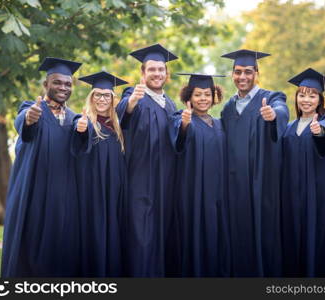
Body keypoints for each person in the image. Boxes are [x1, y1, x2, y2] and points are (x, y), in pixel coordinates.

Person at [1, 57, 82, 277]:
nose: (63, 87)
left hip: (62, 196)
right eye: (57, 82)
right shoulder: (32, 108)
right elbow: (23, 123)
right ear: (46, 85)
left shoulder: (75, 118)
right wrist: (29, 118)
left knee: (60, 246)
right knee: (30, 244)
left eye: (67, 84)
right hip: (34, 192)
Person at [220, 49, 289, 276]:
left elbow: (282, 109)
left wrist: (273, 115)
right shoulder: (228, 108)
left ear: (257, 73)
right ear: (232, 74)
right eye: (238, 72)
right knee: (239, 236)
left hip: (262, 185)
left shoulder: (271, 98)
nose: (243, 77)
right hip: (234, 187)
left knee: (264, 236)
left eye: (248, 72)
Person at [116, 44, 178, 277]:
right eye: (151, 69)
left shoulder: (170, 104)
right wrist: (131, 102)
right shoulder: (134, 96)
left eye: (161, 69)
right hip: (140, 181)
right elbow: (122, 113)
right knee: (141, 237)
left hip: (166, 183)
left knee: (162, 235)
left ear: (166, 74)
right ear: (143, 73)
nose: (157, 73)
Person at [168, 73, 230, 277]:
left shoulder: (220, 124)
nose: (203, 98)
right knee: (193, 236)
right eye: (197, 94)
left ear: (214, 96)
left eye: (207, 94)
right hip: (192, 192)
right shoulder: (180, 117)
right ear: (189, 97)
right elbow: (178, 143)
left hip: (217, 194)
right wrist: (185, 124)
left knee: (215, 236)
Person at [281, 68, 325, 277]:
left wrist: (319, 132)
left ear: (321, 100)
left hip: (317, 197)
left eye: (312, 95)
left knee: (316, 243)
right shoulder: (289, 127)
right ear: (296, 98)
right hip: (292, 198)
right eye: (302, 95)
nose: (306, 100)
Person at [72, 71, 128, 277]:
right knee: (95, 233)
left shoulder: (118, 125)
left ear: (113, 99)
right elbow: (77, 146)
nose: (102, 99)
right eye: (98, 94)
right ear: (91, 97)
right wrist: (79, 130)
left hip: (115, 191)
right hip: (93, 192)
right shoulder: (86, 122)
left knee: (113, 233)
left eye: (107, 95)